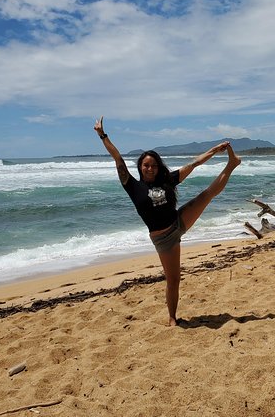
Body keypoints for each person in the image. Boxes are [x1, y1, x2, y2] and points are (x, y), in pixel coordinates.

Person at [94, 116, 241, 326]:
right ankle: (172, 318)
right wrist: (102, 135)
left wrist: (214, 150)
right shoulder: (132, 186)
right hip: (164, 240)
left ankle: (232, 165)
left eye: (153, 165)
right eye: (146, 165)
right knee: (173, 279)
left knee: (207, 194)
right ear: (140, 167)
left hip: (178, 221)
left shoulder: (167, 180)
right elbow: (117, 157)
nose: (150, 169)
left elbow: (194, 164)